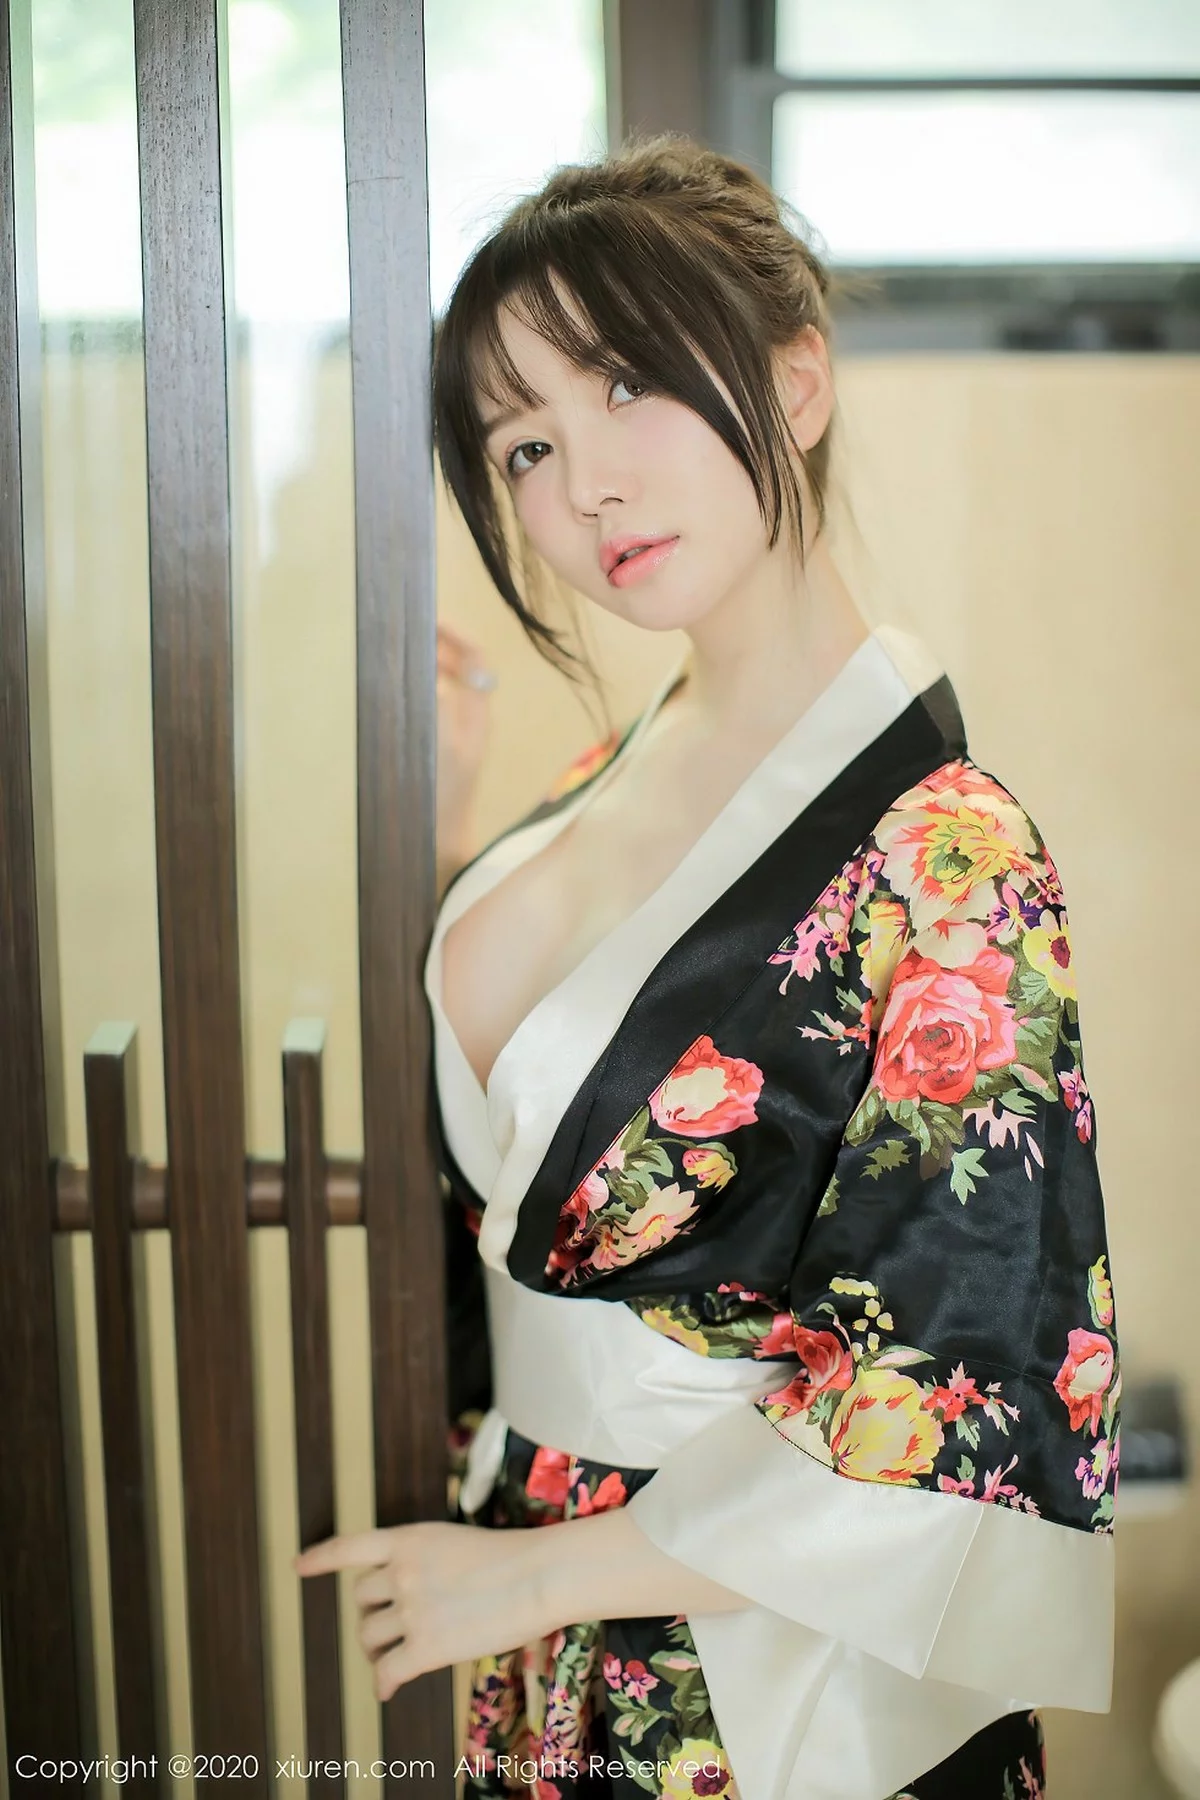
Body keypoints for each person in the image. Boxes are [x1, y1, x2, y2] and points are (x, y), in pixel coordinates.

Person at [298, 136, 1119, 1800]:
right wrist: (443, 841)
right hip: (537, 1625)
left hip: (755, 1689)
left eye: (625, 384)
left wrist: (530, 1580)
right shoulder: (601, 779)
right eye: (527, 443)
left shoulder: (949, 856)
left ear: (795, 383)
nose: (585, 484)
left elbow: (944, 1386)